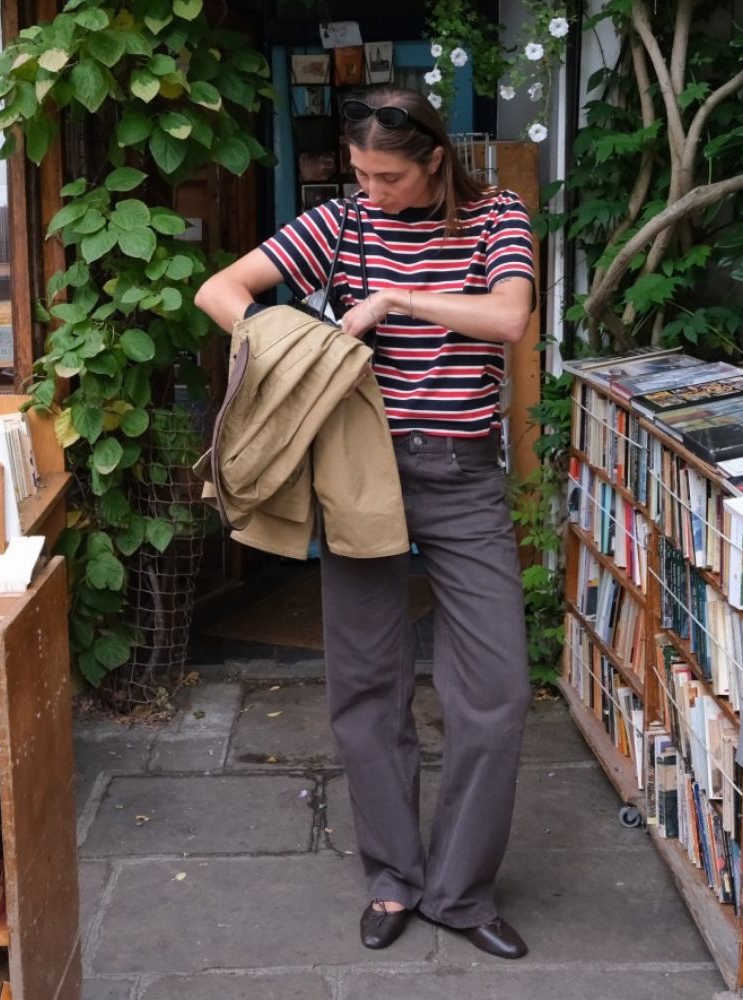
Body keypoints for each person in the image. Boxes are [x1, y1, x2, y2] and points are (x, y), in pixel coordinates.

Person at [194, 86, 536, 960]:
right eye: (359, 174)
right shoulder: (340, 222)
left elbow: (508, 316)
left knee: (494, 691)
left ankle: (460, 891)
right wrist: (287, 341)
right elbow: (221, 290)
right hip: (360, 472)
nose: (369, 190)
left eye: (386, 175)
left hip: (462, 476)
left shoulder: (498, 217)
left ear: (433, 161)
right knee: (366, 684)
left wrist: (396, 299)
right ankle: (394, 877)